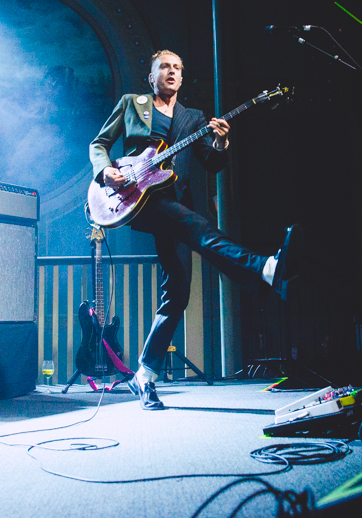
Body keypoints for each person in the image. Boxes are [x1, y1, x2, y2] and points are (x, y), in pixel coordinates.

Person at [90, 50, 302, 410]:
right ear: (151, 76)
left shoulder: (193, 118)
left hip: (174, 202)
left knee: (177, 293)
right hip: (135, 198)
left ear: (182, 77)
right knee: (201, 230)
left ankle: (145, 374)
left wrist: (220, 142)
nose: (172, 72)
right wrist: (106, 170)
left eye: (177, 68)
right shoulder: (132, 104)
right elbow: (99, 144)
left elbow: (211, 162)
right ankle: (264, 267)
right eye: (164, 67)